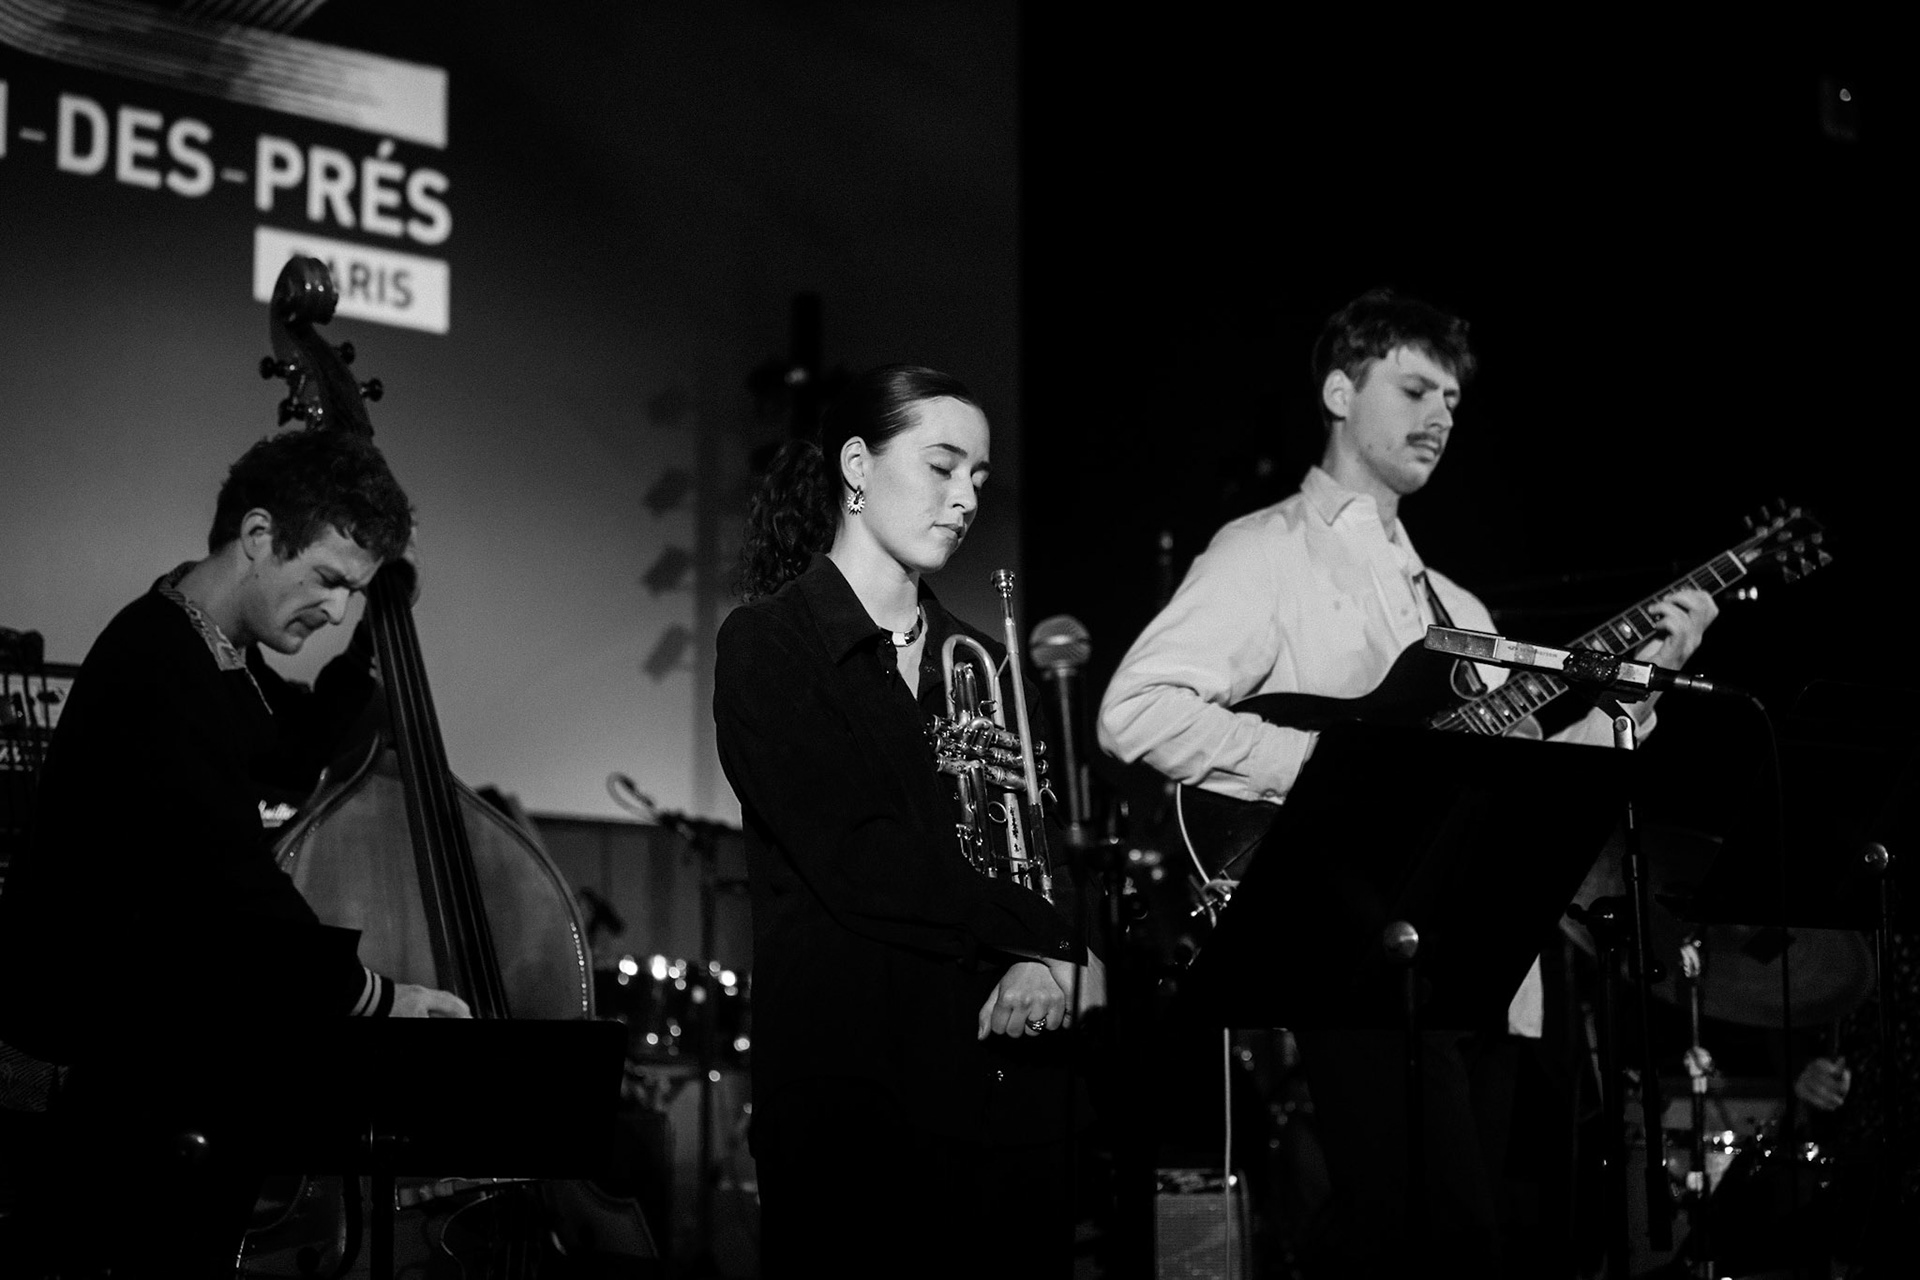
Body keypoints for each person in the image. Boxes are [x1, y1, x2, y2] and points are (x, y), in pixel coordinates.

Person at [1097, 289, 1718, 1275]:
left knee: (1462, 1237)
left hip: (1486, 965)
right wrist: (1331, 774)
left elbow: (1532, 778)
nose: (1441, 415)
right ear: (1341, 389)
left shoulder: (1456, 604)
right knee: (1436, 1233)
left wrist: (1642, 693)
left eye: (1455, 401)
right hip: (1357, 952)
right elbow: (1135, 708)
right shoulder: (1266, 551)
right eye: (1416, 387)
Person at [0, 425, 469, 1273]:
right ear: (258, 538)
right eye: (328, 578)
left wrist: (372, 643)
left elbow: (291, 749)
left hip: (147, 1068)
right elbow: (235, 889)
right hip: (104, 1087)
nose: (336, 609)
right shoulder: (158, 662)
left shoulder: (217, 657)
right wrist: (376, 998)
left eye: (355, 594)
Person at [716, 364, 1105, 1278]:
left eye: (978, 477)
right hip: (855, 1101)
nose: (965, 497)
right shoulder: (769, 643)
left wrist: (1048, 947)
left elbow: (1040, 848)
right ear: (857, 465)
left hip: (1005, 1098)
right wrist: (1047, 942)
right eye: (941, 466)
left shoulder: (984, 660)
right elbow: (860, 859)